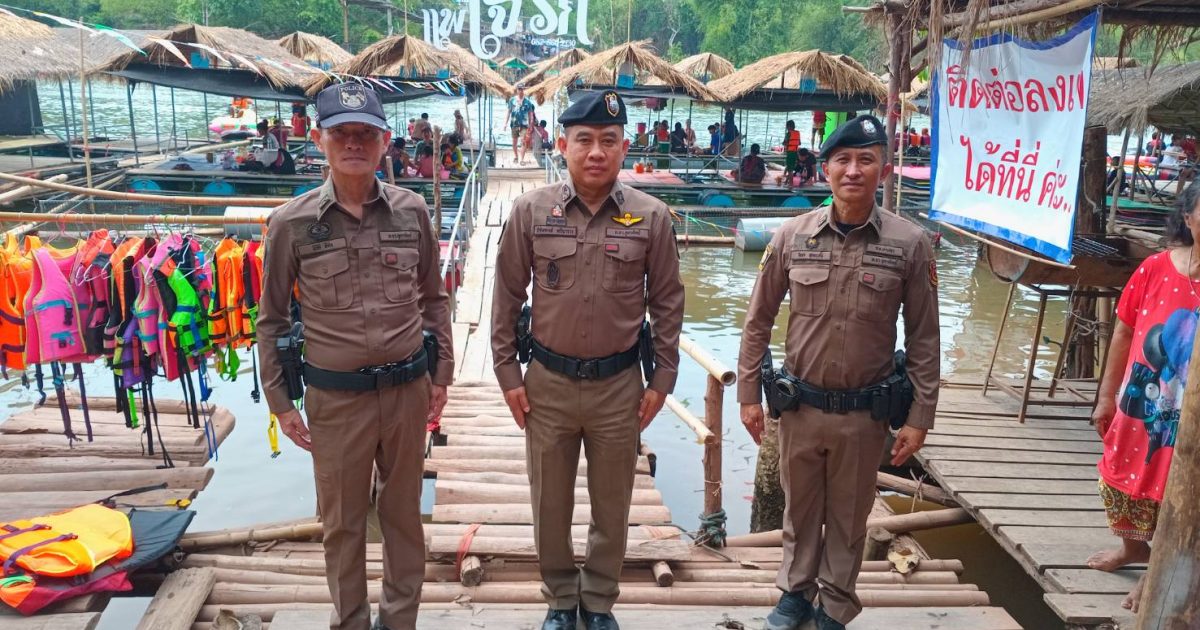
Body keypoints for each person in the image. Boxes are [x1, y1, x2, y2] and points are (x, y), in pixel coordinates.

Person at [257, 82, 453, 630]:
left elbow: (434, 298)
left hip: (407, 392)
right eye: (340, 133)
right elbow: (271, 320)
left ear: (384, 141)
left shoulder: (411, 211)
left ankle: (399, 620)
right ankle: (350, 621)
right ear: (319, 140)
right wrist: (280, 403)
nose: (353, 143)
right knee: (341, 522)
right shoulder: (291, 223)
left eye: (365, 133)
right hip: (336, 400)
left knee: (402, 515)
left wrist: (442, 374)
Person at [491, 90, 684, 630]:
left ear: (624, 148)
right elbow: (505, 295)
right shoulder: (531, 211)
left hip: (619, 385)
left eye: (608, 141)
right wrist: (507, 374)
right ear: (563, 146)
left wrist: (662, 379)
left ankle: (598, 602)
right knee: (549, 502)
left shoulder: (651, 217)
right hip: (547, 383)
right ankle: (559, 598)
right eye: (584, 140)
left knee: (612, 503)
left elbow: (668, 303)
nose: (596, 151)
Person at [738, 114, 940, 630]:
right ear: (825, 169)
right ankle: (795, 593)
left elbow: (924, 337)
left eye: (865, 160)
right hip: (800, 407)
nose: (853, 170)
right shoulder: (792, 236)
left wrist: (920, 417)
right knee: (799, 509)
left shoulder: (910, 243)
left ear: (883, 170)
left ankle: (834, 603)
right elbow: (758, 320)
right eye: (842, 160)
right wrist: (747, 395)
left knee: (850, 517)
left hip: (864, 414)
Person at [1087, 182, 1200, 612]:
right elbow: (1124, 331)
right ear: (1187, 217)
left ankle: (1159, 573)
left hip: (1191, 418)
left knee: (1179, 493)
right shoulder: (1155, 267)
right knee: (1118, 477)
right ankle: (1133, 549)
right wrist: (1106, 397)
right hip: (1141, 401)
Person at [505, 83, 535, 165]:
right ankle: (516, 157)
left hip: (524, 125)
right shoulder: (512, 100)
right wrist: (505, 123)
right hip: (514, 124)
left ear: (523, 90)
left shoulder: (528, 102)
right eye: (519, 89)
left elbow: (530, 114)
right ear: (517, 90)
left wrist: (531, 124)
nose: (521, 91)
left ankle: (522, 159)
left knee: (523, 141)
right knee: (514, 143)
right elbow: (508, 112)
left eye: (522, 89)